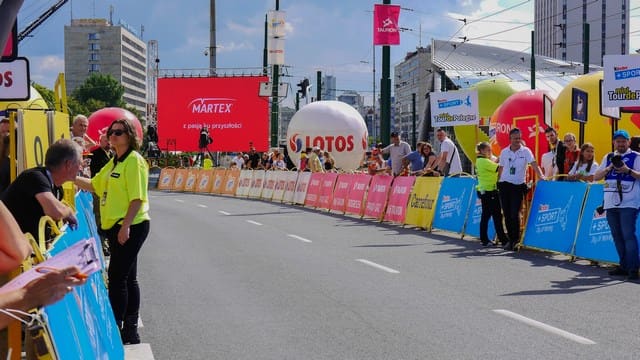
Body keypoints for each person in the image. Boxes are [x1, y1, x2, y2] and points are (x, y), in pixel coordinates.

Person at [75, 118, 151, 344]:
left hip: (132, 224)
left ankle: (116, 328)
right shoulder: (115, 162)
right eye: (111, 132)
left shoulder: (133, 161)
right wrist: (69, 176)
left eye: (119, 132)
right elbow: (95, 184)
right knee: (128, 278)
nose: (114, 136)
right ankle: (131, 330)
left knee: (117, 278)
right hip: (117, 226)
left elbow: (137, 197)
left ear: (129, 136)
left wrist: (126, 225)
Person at [0, 139, 79, 241]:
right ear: (68, 164)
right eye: (79, 163)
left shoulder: (58, 188)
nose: (81, 168)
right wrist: (68, 211)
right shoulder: (35, 177)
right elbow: (55, 211)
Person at [593, 129, 640, 281]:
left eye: (623, 141)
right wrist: (609, 168)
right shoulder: (609, 157)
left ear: (629, 142)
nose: (620, 144)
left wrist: (627, 170)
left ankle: (633, 268)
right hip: (610, 202)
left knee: (628, 235)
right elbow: (596, 176)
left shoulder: (636, 156)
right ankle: (623, 265)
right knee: (617, 235)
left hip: (629, 202)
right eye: (618, 141)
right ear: (614, 142)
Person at [497, 128, 545, 251]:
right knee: (507, 214)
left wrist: (541, 176)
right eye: (515, 138)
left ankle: (516, 240)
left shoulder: (526, 151)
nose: (517, 140)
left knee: (515, 213)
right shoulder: (504, 152)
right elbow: (501, 168)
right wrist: (498, 182)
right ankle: (511, 240)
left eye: (519, 138)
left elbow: (534, 164)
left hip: (518, 186)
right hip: (504, 185)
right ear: (510, 139)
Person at [475, 142, 510, 247]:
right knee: (492, 216)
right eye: (488, 150)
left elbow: (495, 164)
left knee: (493, 216)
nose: (490, 152)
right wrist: (502, 158)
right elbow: (498, 168)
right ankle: (491, 239)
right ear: (481, 151)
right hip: (489, 191)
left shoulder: (482, 160)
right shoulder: (483, 161)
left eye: (490, 150)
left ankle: (496, 239)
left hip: (487, 190)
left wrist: (499, 158)